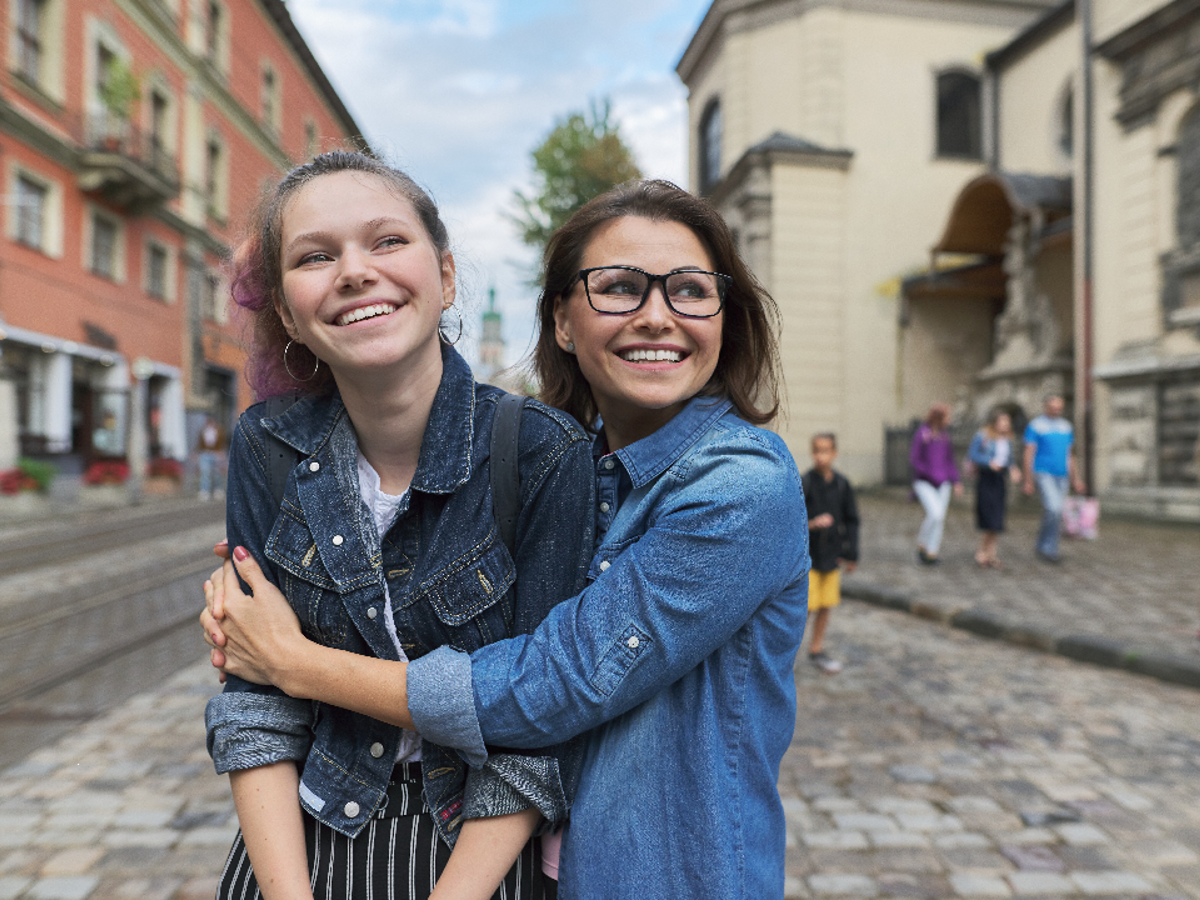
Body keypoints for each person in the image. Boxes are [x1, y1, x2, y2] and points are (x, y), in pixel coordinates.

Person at [203, 179, 810, 899]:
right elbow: (253, 708)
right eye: (618, 287)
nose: (656, 316)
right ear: (561, 321)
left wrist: (293, 662)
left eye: (689, 289)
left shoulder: (739, 487)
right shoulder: (578, 459)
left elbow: (551, 687)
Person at [203, 151, 596, 900]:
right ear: (286, 310)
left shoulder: (541, 450)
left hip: (476, 852)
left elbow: (540, 725)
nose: (354, 271)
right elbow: (254, 700)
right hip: (304, 836)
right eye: (316, 256)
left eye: (386, 241)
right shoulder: (267, 444)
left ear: (445, 277)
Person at [800, 432, 858, 674]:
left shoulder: (842, 484)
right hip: (810, 557)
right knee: (806, 607)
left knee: (826, 605)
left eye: (825, 451)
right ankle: (785, 654)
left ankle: (816, 649)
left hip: (832, 555)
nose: (820, 456)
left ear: (834, 454)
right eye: (816, 451)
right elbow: (795, 520)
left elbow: (851, 520)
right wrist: (812, 524)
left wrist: (851, 552)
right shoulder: (805, 482)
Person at [1022, 394, 1086, 562]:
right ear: (1046, 406)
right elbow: (1028, 453)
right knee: (1053, 508)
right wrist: (1028, 480)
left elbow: (1070, 455)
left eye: (1059, 407)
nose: (1057, 409)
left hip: (1062, 474)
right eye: (1054, 406)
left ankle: (1043, 544)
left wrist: (1076, 479)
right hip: (1043, 472)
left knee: (1054, 511)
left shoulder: (1066, 427)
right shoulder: (1036, 425)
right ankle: (1050, 549)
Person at [909, 402, 962, 564]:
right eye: (947, 416)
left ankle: (932, 552)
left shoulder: (945, 436)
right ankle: (922, 542)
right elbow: (914, 459)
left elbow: (949, 460)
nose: (949, 419)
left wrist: (956, 480)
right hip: (925, 482)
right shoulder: (922, 434)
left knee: (940, 518)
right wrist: (930, 473)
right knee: (935, 513)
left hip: (944, 483)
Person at [967, 409, 1020, 568]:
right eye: (1002, 421)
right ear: (994, 422)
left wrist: (1013, 469)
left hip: (1000, 478)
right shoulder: (983, 436)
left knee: (997, 517)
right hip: (986, 477)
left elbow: (1009, 459)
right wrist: (989, 462)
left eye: (1007, 422)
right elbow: (973, 454)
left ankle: (990, 554)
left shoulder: (1008, 439)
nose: (1005, 424)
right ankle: (982, 552)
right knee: (989, 515)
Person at [196, 414, 227, 500]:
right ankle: (205, 490)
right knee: (205, 473)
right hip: (205, 453)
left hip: (216, 453)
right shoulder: (203, 431)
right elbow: (200, 443)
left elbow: (222, 441)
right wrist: (197, 453)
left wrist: (221, 452)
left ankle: (218, 489)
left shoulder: (219, 430)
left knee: (217, 473)